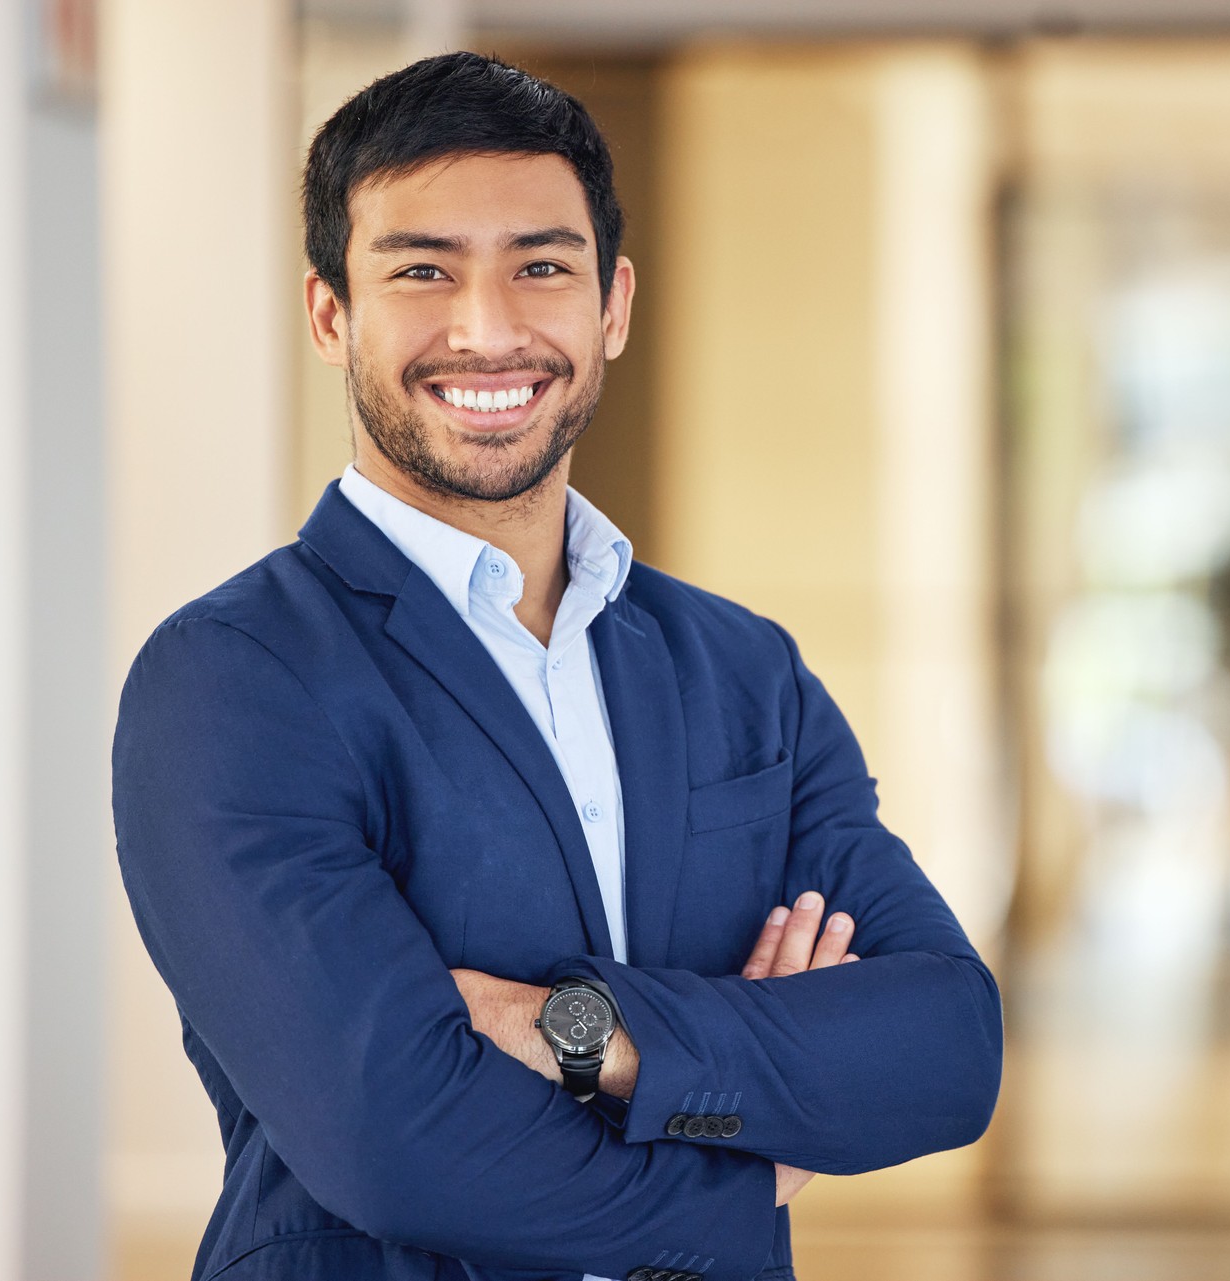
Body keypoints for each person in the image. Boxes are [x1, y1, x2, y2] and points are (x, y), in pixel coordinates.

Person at [111, 51, 1003, 1281]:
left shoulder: (744, 673)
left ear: (613, 306)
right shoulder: (232, 680)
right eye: (422, 270)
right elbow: (394, 1140)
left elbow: (945, 1046)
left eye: (541, 266)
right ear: (331, 314)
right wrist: (753, 1153)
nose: (488, 329)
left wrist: (573, 1030)